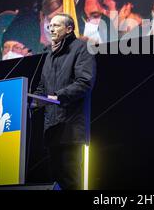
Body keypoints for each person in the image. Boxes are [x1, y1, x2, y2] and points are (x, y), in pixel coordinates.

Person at [33, 13, 96, 190]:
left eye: (56, 26)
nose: (51, 29)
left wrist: (58, 96)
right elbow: (42, 87)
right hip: (52, 130)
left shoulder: (82, 48)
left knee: (71, 181)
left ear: (69, 29)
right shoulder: (49, 55)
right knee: (55, 180)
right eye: (50, 26)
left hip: (70, 129)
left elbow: (85, 82)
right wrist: (34, 102)